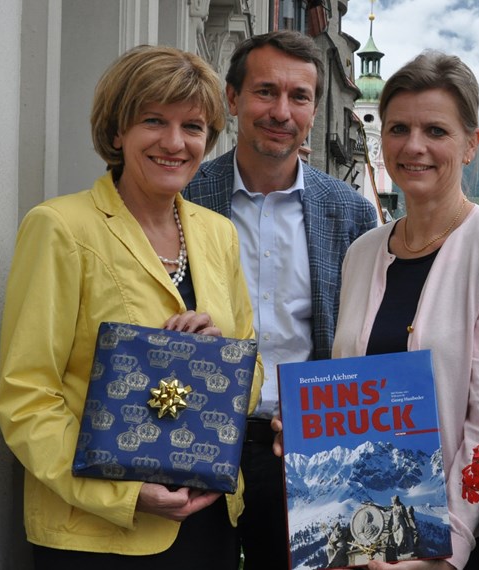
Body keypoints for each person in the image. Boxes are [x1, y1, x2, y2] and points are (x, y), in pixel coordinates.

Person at [0, 45, 260, 570]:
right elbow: (26, 397)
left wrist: (216, 358)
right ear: (117, 132)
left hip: (209, 520)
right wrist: (126, 493)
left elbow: (249, 380)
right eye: (153, 121)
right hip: (98, 535)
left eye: (193, 126)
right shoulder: (61, 227)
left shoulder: (218, 235)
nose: (174, 142)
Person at [331, 50, 479, 570]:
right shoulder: (362, 253)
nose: (414, 146)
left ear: (471, 145)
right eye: (398, 128)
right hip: (352, 531)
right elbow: (346, 390)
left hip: (437, 547)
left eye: (436, 131)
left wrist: (444, 550)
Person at [182, 30, 379, 570]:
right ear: (232, 98)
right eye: (266, 92)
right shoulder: (185, 195)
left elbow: (359, 335)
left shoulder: (350, 212)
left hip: (301, 437)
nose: (282, 111)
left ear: (315, 108)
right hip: (198, 430)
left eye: (299, 97)